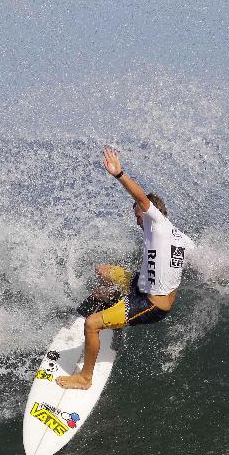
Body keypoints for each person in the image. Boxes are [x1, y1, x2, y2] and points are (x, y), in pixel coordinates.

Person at [57, 145, 194, 390]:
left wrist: (119, 174)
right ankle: (107, 306)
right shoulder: (181, 237)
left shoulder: (157, 223)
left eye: (138, 215)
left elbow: (141, 198)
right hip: (141, 284)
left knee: (92, 323)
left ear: (149, 213)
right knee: (103, 271)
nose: (136, 220)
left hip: (151, 305)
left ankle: (84, 378)